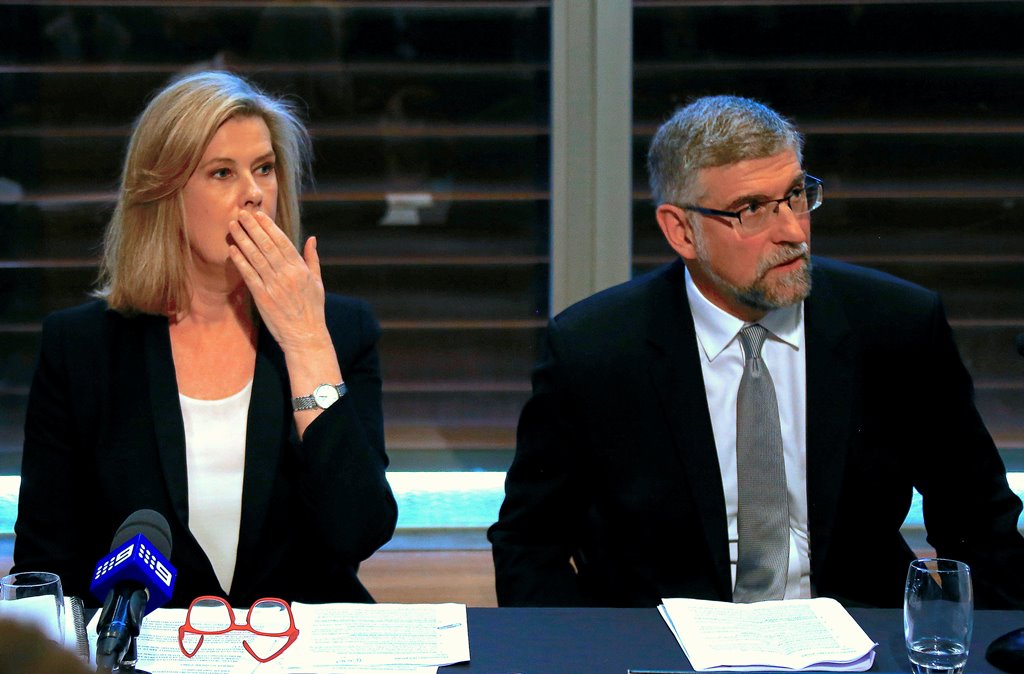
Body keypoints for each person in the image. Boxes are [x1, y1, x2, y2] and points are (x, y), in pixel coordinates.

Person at [488, 95, 1024, 609]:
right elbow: (530, 543)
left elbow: (978, 520)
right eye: (751, 210)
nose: (793, 231)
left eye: (795, 195)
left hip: (859, 632)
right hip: (664, 644)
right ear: (681, 231)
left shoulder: (896, 325)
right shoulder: (595, 349)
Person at [13, 71, 397, 607]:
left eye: (264, 169)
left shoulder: (341, 331)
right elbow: (45, 567)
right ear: (164, 192)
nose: (254, 195)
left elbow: (358, 531)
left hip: (297, 651)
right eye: (222, 173)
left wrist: (307, 342)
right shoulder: (80, 348)